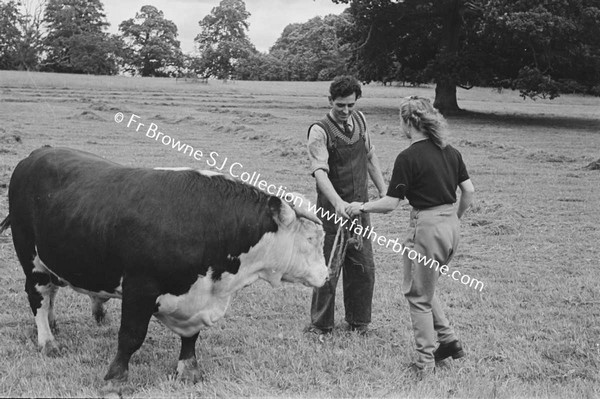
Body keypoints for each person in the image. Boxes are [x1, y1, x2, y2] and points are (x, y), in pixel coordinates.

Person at [346, 96, 475, 377]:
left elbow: (391, 203)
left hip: (426, 229)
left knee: (417, 295)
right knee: (425, 287)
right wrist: (455, 218)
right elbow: (469, 191)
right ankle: (449, 341)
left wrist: (362, 205)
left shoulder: (408, 157)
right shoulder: (450, 151)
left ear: (407, 122)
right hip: (450, 226)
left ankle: (424, 363)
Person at [306, 75, 387, 336]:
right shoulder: (319, 130)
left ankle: (359, 322)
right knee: (328, 268)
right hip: (332, 212)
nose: (345, 110)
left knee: (363, 267)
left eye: (350, 105)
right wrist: (338, 202)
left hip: (360, 210)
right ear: (330, 100)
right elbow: (320, 172)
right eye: (340, 105)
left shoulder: (361, 121)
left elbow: (370, 156)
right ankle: (321, 325)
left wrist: (384, 190)